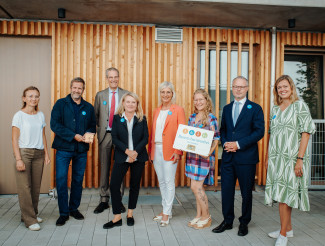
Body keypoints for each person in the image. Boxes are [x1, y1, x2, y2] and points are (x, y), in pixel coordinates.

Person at [265, 75, 315, 246]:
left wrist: (299, 159)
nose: (282, 90)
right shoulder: (275, 110)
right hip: (276, 159)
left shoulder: (300, 106)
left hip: (293, 158)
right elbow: (271, 135)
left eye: (285, 86)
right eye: (279, 87)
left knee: (285, 196)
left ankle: (283, 234)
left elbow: (306, 132)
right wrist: (267, 158)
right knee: (282, 194)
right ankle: (289, 229)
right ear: (276, 91)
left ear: (291, 88)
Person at [212, 76, 264, 236]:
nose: (238, 89)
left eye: (242, 86)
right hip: (228, 157)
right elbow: (224, 130)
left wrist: (238, 144)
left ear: (247, 88)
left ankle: (244, 222)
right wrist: (227, 142)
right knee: (226, 191)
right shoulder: (227, 108)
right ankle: (227, 221)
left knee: (246, 192)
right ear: (232, 88)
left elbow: (259, 131)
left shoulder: (255, 108)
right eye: (235, 86)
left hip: (246, 158)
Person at [50, 77, 96, 226]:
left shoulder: (88, 107)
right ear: (70, 88)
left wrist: (89, 134)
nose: (77, 90)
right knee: (62, 180)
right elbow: (54, 125)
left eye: (80, 88)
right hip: (63, 149)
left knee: (77, 180)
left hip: (81, 150)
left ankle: (73, 208)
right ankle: (63, 213)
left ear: (83, 90)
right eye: (74, 87)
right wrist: (73, 136)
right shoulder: (60, 104)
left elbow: (92, 126)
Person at [103, 92, 149, 229]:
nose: (130, 104)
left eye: (133, 102)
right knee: (114, 185)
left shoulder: (142, 118)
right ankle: (117, 217)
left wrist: (135, 153)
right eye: (128, 102)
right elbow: (115, 137)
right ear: (123, 103)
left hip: (138, 156)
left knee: (134, 186)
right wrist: (127, 151)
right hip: (122, 155)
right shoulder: (117, 118)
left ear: (137, 105)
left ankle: (130, 214)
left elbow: (145, 138)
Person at [11, 86, 50, 231]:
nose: (34, 99)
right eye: (30, 96)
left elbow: (43, 136)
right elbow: (14, 140)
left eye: (36, 96)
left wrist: (46, 153)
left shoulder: (40, 115)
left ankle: (31, 214)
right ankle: (29, 219)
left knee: (35, 187)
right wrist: (18, 159)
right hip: (24, 153)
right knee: (24, 188)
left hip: (39, 153)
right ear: (24, 98)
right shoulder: (19, 116)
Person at [149, 81, 186, 227]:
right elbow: (153, 132)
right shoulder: (156, 110)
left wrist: (178, 151)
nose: (165, 95)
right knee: (162, 182)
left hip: (170, 150)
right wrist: (150, 152)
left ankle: (166, 212)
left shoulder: (178, 110)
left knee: (169, 182)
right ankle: (167, 210)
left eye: (168, 92)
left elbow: (182, 132)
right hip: (156, 150)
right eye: (163, 92)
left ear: (172, 94)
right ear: (160, 94)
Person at [94, 67, 128, 214]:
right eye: (110, 77)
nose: (113, 79)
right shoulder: (100, 95)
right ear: (106, 78)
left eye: (116, 77)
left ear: (119, 78)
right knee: (104, 167)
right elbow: (95, 115)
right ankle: (103, 199)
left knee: (119, 168)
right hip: (105, 135)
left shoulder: (125, 94)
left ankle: (118, 200)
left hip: (120, 136)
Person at [186, 89, 220, 229]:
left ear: (206, 101)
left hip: (203, 159)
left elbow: (216, 138)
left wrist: (208, 153)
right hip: (192, 157)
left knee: (197, 187)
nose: (198, 102)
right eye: (196, 100)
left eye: (201, 99)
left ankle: (206, 217)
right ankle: (198, 215)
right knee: (194, 188)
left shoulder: (211, 118)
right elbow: (188, 136)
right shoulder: (192, 117)